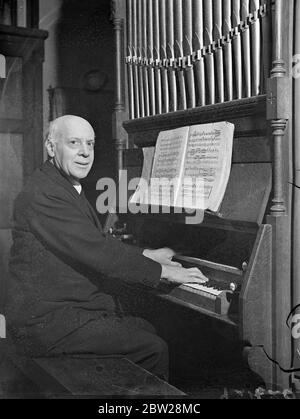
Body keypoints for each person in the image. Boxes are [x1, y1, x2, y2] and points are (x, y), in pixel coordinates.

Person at [6, 115, 206, 380]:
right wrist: (163, 271)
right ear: (51, 147)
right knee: (152, 348)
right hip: (47, 324)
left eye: (90, 144)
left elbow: (89, 241)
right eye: (74, 143)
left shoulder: (62, 184)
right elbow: (97, 251)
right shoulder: (44, 193)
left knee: (154, 328)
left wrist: (146, 254)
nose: (85, 152)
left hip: (63, 311)